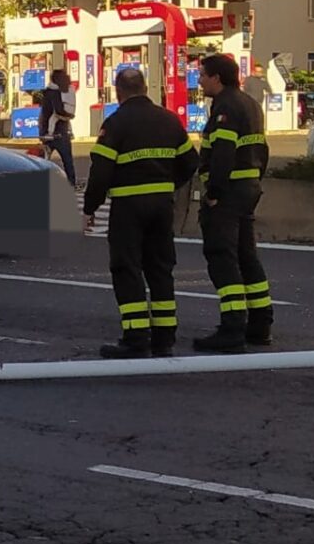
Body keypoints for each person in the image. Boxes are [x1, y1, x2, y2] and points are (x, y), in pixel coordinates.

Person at [82, 66, 196, 359]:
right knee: (160, 269)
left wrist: (90, 207)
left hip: (128, 208)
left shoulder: (116, 123)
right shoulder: (169, 121)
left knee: (127, 268)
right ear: (146, 88)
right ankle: (164, 338)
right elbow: (190, 163)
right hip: (161, 206)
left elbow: (101, 172)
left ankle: (135, 338)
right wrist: (168, 185)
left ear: (119, 92)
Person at [194, 52, 272, 352]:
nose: (199, 80)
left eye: (202, 75)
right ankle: (260, 324)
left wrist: (213, 192)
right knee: (246, 256)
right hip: (248, 189)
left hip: (228, 193)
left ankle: (232, 327)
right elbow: (261, 149)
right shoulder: (250, 104)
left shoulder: (225, 106)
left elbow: (223, 151)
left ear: (216, 77)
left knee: (222, 257)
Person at [38, 68, 77, 187]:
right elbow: (59, 110)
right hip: (58, 134)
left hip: (48, 133)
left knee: (43, 160)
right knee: (67, 160)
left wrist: (42, 132)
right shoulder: (55, 93)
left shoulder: (48, 93)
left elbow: (43, 114)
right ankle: (71, 182)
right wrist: (70, 115)